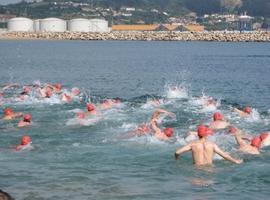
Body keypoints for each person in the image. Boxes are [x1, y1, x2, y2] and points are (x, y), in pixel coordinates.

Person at [175, 124, 242, 166]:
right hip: (209, 169)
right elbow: (224, 155)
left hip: (197, 169)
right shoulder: (212, 145)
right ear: (207, 134)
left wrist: (177, 160)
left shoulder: (192, 144)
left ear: (197, 134)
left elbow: (177, 152)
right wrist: (235, 161)